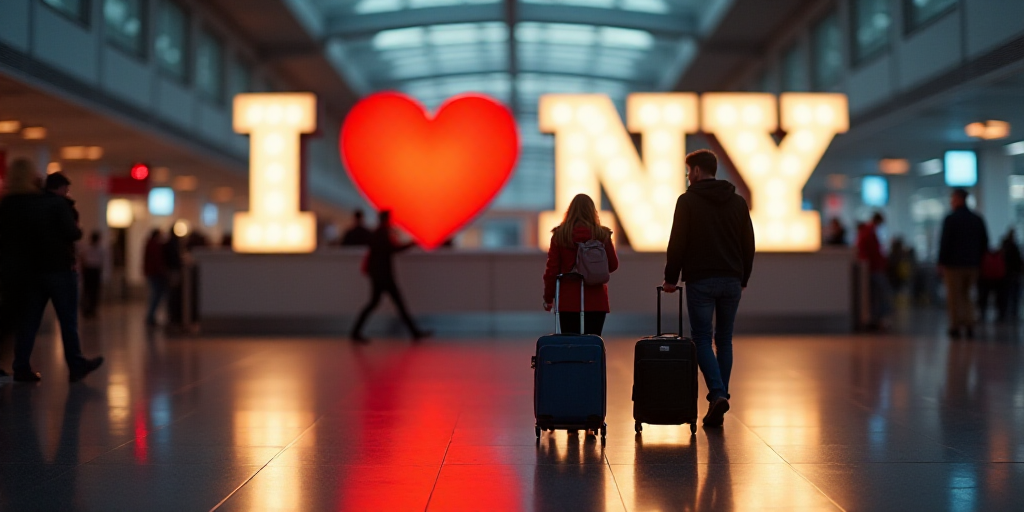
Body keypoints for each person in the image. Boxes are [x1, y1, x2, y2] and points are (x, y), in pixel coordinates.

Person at [662, 149, 755, 428]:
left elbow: (677, 242)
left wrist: (670, 278)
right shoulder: (737, 202)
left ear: (698, 172)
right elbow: (748, 243)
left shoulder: (687, 201)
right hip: (731, 280)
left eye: (689, 172)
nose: (688, 177)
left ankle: (717, 394)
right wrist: (744, 277)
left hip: (701, 280)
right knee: (724, 339)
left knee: (702, 339)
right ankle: (720, 398)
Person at [7, 165, 103, 382]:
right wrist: (76, 228)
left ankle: (21, 366)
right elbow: (72, 233)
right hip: (60, 270)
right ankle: (76, 365)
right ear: (60, 189)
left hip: (34, 272)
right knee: (68, 320)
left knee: (29, 321)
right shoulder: (60, 205)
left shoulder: (30, 204)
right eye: (66, 190)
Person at [541, 194, 619, 335]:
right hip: (596, 301)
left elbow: (551, 271)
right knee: (592, 345)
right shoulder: (602, 235)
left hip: (568, 301)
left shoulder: (560, 235)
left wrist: (548, 298)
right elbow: (613, 265)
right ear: (592, 211)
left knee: (570, 346)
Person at [349, 210, 431, 342]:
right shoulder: (383, 234)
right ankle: (415, 333)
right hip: (384, 276)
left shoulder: (378, 233)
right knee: (396, 304)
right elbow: (393, 249)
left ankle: (355, 332)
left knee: (376, 304)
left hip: (378, 275)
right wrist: (412, 243)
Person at [938, 189, 988, 339]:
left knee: (954, 296)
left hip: (954, 265)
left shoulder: (951, 219)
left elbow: (945, 242)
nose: (951, 202)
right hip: (972, 265)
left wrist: (941, 262)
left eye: (952, 199)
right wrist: (977, 259)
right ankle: (970, 324)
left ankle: (955, 326)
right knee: (968, 295)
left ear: (959, 199)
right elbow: (985, 242)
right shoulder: (977, 219)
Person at [857, 212, 890, 330]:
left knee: (875, 295)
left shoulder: (867, 231)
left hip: (872, 268)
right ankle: (877, 319)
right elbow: (872, 251)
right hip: (874, 269)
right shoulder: (869, 232)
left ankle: (876, 319)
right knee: (878, 295)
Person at [79, 231, 106, 318]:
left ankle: (92, 309)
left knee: (93, 291)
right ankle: (87, 309)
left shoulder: (99, 249)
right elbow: (83, 259)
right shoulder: (88, 248)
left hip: (93, 270)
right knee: (88, 291)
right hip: (90, 270)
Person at [143, 229, 167, 326]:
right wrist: (163, 270)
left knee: (155, 295)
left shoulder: (150, 243)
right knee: (156, 295)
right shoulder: (154, 245)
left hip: (152, 272)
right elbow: (157, 260)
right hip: (155, 273)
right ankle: (150, 317)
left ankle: (151, 316)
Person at [998, 229, 1022, 321]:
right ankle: (1013, 313)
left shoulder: (1004, 247)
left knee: (1007, 295)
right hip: (1013, 274)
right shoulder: (1013, 247)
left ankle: (1005, 313)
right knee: (1014, 295)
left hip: (1006, 274)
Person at [164, 229, 184, 328]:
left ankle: (172, 316)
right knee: (172, 293)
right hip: (173, 270)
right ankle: (173, 316)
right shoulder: (173, 244)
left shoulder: (169, 243)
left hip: (171, 270)